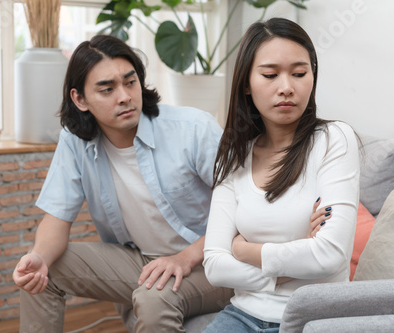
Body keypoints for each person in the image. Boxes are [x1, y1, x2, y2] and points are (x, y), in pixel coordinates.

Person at [12, 34, 232, 333]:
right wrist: (37, 256)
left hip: (212, 262)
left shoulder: (193, 129)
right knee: (40, 269)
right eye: (107, 89)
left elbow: (245, 210)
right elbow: (56, 219)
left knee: (155, 299)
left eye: (130, 82)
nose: (125, 96)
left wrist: (185, 257)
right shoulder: (75, 141)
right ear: (80, 99)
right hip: (142, 261)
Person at [202, 17, 360, 332]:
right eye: (270, 75)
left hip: (315, 316)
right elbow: (215, 267)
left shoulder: (333, 140)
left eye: (299, 73)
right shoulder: (235, 157)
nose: (287, 87)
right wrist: (291, 264)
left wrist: (245, 251)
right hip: (242, 316)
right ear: (246, 83)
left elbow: (330, 255)